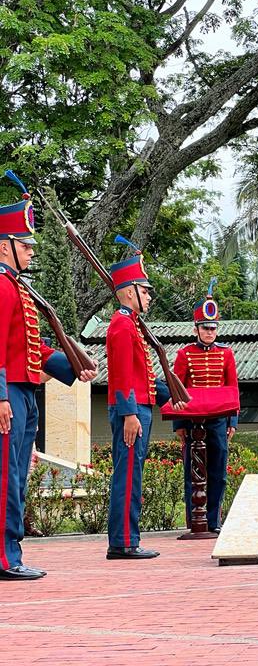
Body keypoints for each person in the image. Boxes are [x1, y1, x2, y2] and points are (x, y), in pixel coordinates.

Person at [0, 173, 96, 580]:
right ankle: (5, 558)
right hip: (10, 395)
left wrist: (72, 367)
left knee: (18, 474)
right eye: (25, 245)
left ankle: (12, 552)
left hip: (24, 392)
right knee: (6, 476)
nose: (32, 253)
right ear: (5, 246)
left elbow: (30, 348)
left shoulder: (16, 287)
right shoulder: (2, 288)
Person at [105, 239, 179, 558]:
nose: (149, 296)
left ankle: (127, 539)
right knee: (127, 476)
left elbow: (144, 376)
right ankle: (123, 542)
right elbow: (121, 375)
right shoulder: (122, 325)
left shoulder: (132, 325)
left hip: (138, 409)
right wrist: (130, 413)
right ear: (129, 291)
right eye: (145, 290)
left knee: (133, 475)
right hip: (131, 412)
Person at [172, 280, 239, 533]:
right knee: (193, 471)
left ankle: (213, 520)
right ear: (196, 329)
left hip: (219, 420)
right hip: (193, 421)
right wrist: (179, 424)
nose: (209, 332)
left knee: (218, 472)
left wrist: (232, 421)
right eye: (205, 328)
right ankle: (195, 521)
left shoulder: (227, 354)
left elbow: (233, 388)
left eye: (213, 328)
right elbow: (178, 390)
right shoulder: (184, 354)